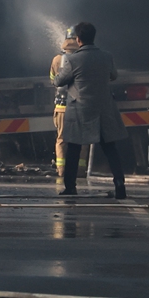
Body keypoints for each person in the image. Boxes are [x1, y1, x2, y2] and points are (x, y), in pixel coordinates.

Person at [55, 22, 127, 198]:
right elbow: (114, 76)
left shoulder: (72, 60)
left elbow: (58, 81)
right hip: (103, 109)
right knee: (110, 148)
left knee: (73, 149)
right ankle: (120, 186)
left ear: (78, 39)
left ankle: (70, 187)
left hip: (80, 111)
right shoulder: (106, 56)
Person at [50, 29, 85, 178]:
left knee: (62, 139)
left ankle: (62, 171)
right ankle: (81, 170)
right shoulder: (84, 59)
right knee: (82, 139)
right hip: (80, 106)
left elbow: (53, 80)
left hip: (62, 106)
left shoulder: (57, 59)